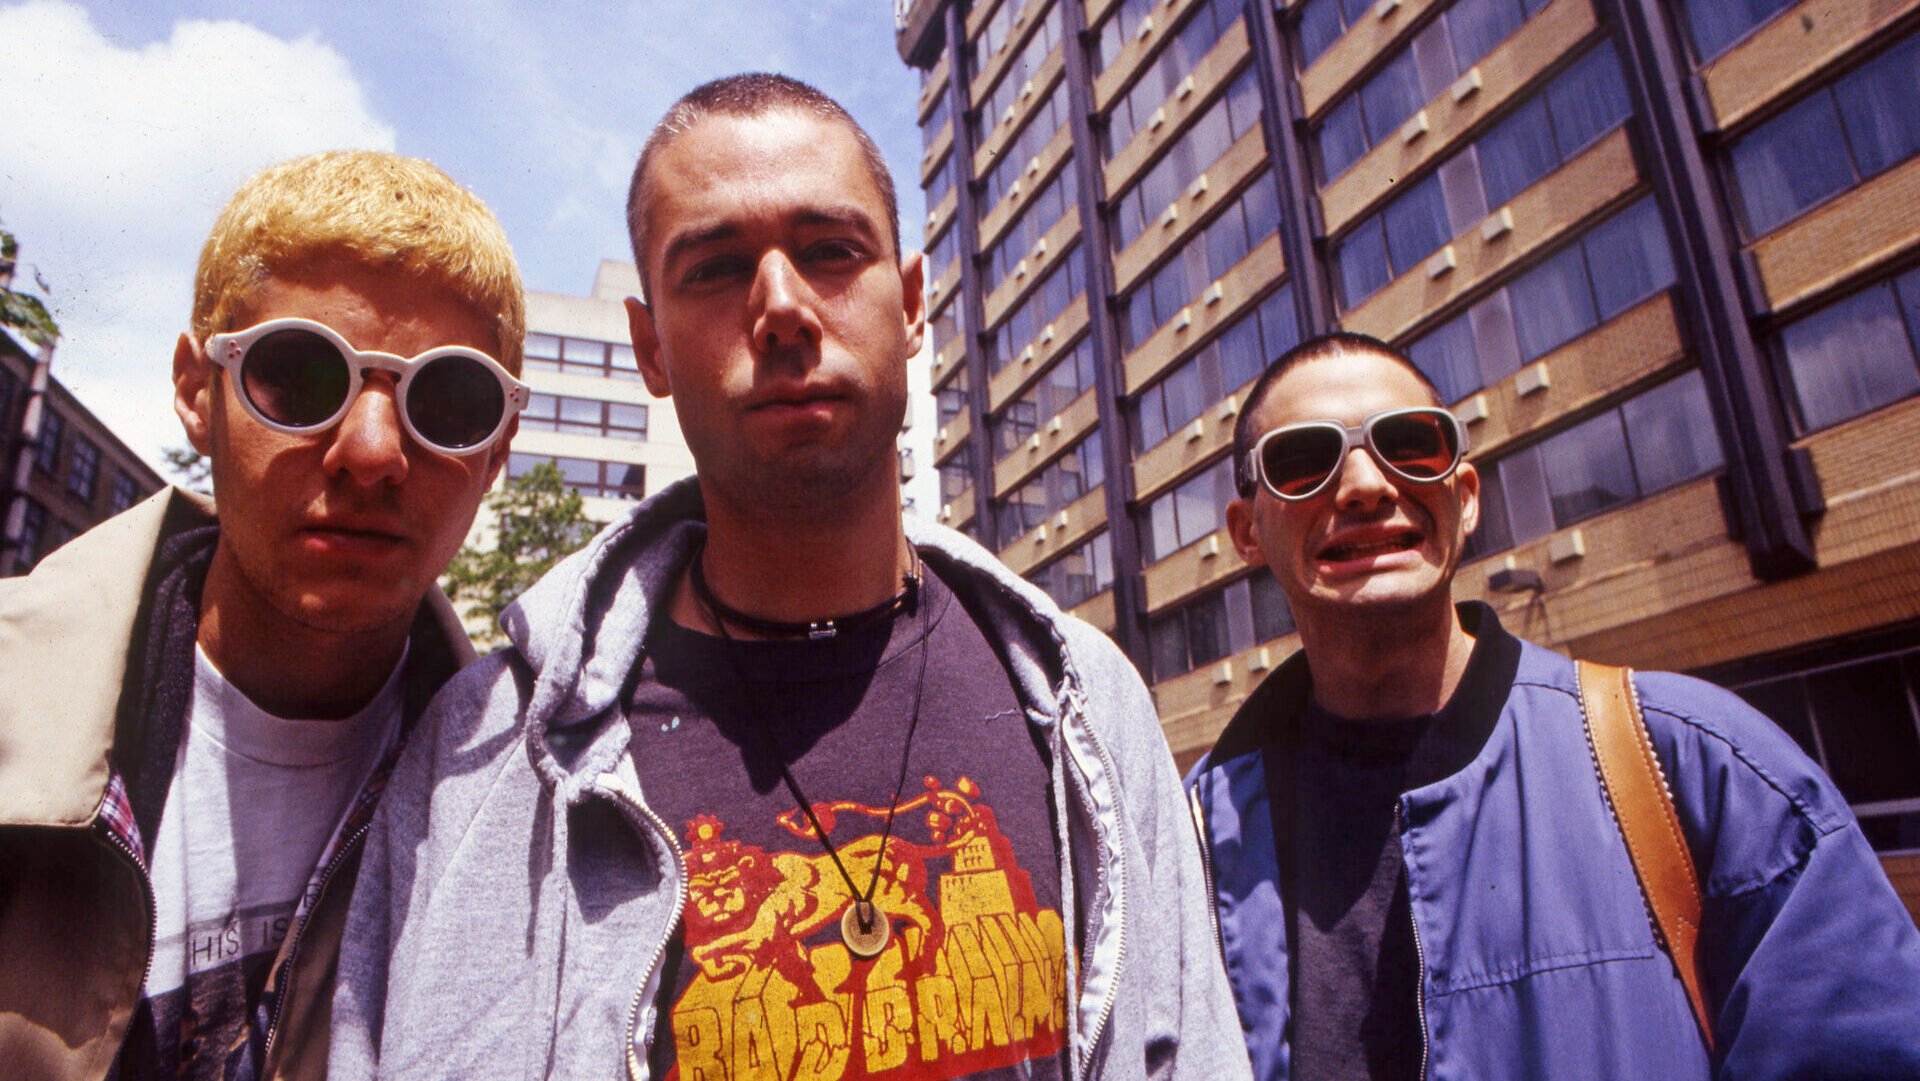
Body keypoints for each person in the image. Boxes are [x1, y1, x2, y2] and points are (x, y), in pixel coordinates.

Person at [329, 73, 1248, 1081]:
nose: (781, 306)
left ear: (910, 307)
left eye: (830, 252)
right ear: (650, 348)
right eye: (718, 269)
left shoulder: (1092, 705)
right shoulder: (486, 759)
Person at [1185, 330, 1920, 1079]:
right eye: (1305, 460)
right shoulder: (1188, 842)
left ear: (1465, 499)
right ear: (1248, 532)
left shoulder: (1704, 767)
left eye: (1410, 443)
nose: (1367, 485)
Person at [0, 150, 526, 1080]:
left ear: (496, 453)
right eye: (300, 375)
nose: (370, 452)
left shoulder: (531, 809)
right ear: (199, 391)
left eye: (447, 400)